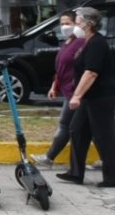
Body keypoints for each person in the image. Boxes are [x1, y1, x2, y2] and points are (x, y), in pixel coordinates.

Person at [56, 6, 115, 188]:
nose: (74, 25)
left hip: (101, 97)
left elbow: (91, 73)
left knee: (104, 136)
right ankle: (75, 173)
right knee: (77, 130)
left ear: (89, 24)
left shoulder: (97, 43)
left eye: (77, 22)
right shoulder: (87, 41)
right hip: (90, 97)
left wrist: (76, 96)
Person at [34, 12, 85, 167]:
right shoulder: (68, 42)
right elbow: (61, 68)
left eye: (68, 23)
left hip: (75, 92)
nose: (64, 27)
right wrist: (54, 86)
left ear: (76, 24)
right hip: (69, 90)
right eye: (62, 24)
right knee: (84, 127)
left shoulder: (81, 42)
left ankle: (49, 157)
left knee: (65, 124)